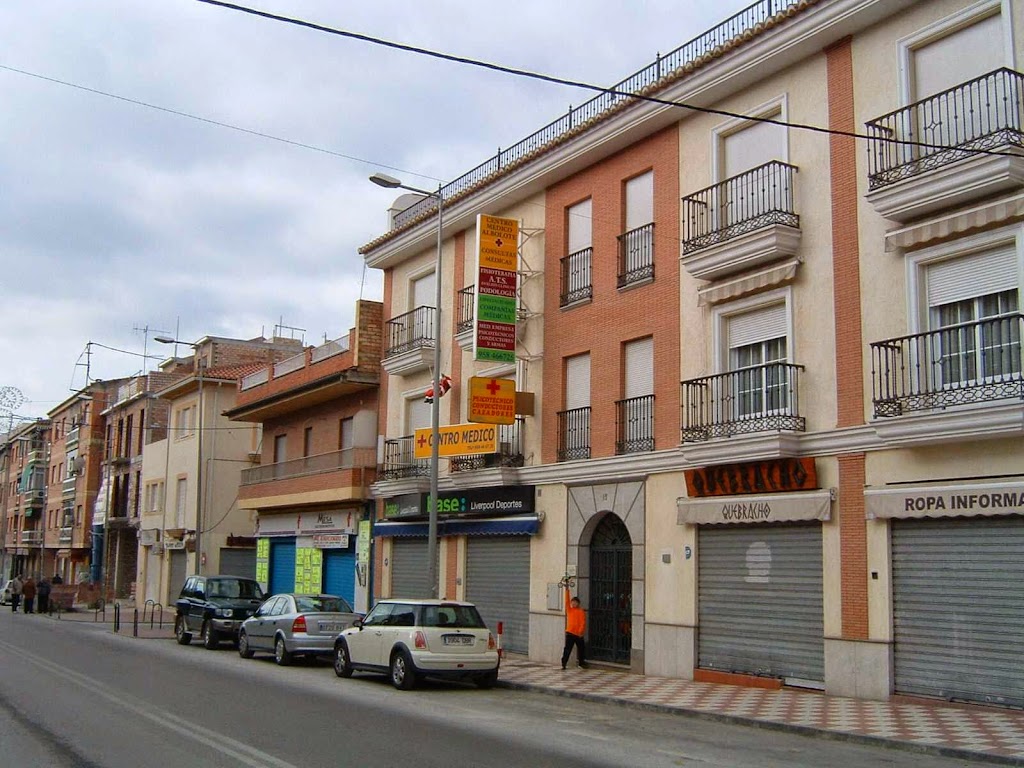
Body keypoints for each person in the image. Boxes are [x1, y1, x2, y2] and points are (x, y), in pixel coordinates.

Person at [561, 587, 588, 670]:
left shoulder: (581, 611)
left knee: (581, 648)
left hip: (578, 634)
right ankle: (564, 663)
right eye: (572, 602)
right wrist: (567, 589)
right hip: (570, 633)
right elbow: (566, 601)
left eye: (575, 602)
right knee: (567, 649)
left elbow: (583, 622)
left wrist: (581, 631)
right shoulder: (569, 610)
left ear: (578, 603)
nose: (573, 604)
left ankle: (581, 663)